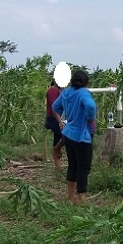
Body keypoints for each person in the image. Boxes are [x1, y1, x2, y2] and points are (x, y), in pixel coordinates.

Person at [52, 70, 97, 204]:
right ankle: (81, 199)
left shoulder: (66, 92)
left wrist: (64, 116)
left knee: (73, 166)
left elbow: (55, 106)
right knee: (83, 168)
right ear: (86, 82)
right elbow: (90, 105)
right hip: (81, 136)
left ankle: (71, 197)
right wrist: (90, 120)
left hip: (68, 134)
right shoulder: (83, 93)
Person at [44, 78, 65, 169]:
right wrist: (60, 121)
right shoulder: (53, 90)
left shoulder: (60, 91)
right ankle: (57, 150)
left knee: (57, 140)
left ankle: (58, 167)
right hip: (54, 118)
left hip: (58, 118)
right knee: (66, 136)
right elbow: (54, 107)